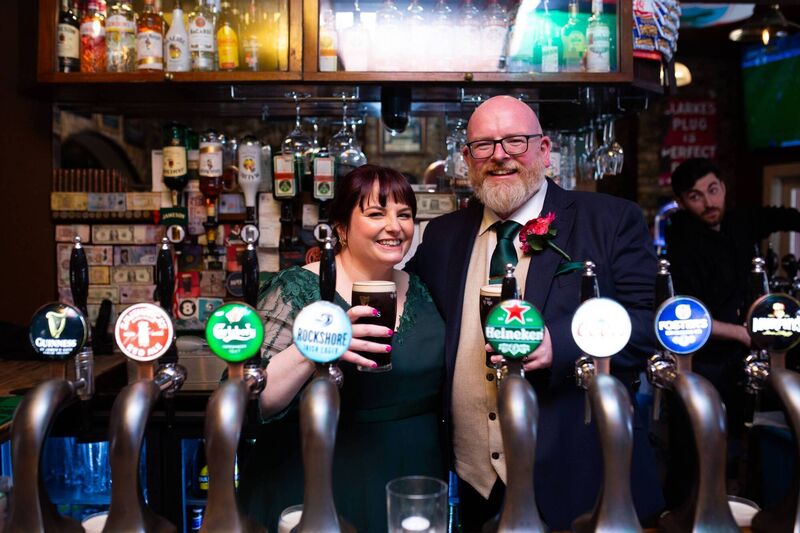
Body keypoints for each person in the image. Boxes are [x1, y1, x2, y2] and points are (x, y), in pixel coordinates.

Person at [406, 95, 664, 531]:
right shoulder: (443, 235)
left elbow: (649, 324)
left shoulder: (610, 219)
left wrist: (559, 344)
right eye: (484, 145)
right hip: (475, 483)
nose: (500, 155)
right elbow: (406, 303)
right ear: (467, 159)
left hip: (580, 477)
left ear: (544, 150)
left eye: (515, 141)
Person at [238, 165, 446, 533]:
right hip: (315, 480)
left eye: (405, 215)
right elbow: (255, 399)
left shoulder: (423, 288)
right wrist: (319, 345)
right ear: (341, 228)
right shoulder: (298, 288)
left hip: (411, 478)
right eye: (376, 213)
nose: (394, 227)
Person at [664, 157, 800, 500]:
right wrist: (741, 332)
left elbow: (788, 217)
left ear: (723, 187)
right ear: (680, 202)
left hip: (743, 353)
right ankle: (693, 511)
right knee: (698, 447)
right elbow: (686, 315)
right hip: (700, 359)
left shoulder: (740, 221)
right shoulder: (680, 238)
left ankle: (745, 503)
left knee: (747, 440)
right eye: (696, 196)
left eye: (713, 190)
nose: (709, 203)